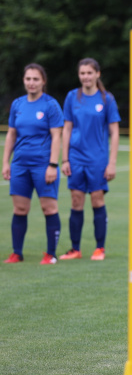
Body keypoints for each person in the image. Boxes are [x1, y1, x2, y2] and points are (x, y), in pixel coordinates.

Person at [59, 58, 121, 261]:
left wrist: (111, 162)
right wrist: (65, 158)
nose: (85, 77)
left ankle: (99, 248)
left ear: (97, 74)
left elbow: (114, 131)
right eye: (82, 73)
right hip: (76, 158)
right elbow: (66, 129)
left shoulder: (106, 99)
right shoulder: (71, 97)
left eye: (89, 73)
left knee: (97, 200)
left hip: (97, 159)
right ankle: (75, 249)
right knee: (76, 201)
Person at [2, 64, 64, 264]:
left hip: (43, 165)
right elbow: (12, 134)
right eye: (28, 79)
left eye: (35, 79)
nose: (31, 83)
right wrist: (5, 162)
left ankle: (50, 254)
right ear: (23, 80)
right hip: (20, 165)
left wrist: (52, 165)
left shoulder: (51, 105)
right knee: (19, 209)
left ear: (43, 81)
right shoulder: (17, 104)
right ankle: (17, 253)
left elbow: (57, 137)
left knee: (49, 208)